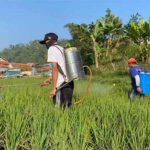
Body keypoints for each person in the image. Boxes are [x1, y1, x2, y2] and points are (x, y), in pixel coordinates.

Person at [39, 32, 74, 107]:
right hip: (69, 81)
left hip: (61, 84)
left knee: (59, 109)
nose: (46, 43)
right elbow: (61, 67)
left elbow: (55, 69)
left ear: (52, 40)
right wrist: (49, 80)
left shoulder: (52, 49)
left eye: (46, 41)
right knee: (67, 108)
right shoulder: (61, 49)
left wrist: (53, 89)